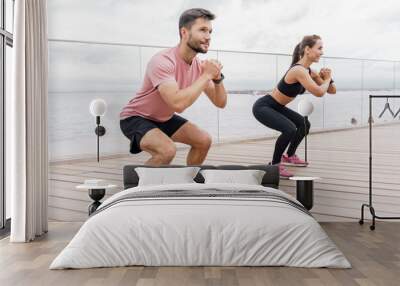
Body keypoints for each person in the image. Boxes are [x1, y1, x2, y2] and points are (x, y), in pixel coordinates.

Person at [120, 8, 227, 166]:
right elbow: (178, 104)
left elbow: (220, 102)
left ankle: (188, 182)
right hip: (136, 117)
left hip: (164, 118)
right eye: (203, 30)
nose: (208, 37)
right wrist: (206, 76)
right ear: (184, 32)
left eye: (210, 32)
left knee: (203, 140)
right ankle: (137, 185)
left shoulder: (199, 66)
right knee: (167, 150)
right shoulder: (163, 61)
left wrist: (217, 79)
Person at [252, 35, 336, 178]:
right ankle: (274, 165)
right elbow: (319, 92)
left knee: (304, 124)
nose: (322, 52)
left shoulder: (309, 71)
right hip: (264, 106)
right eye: (320, 48)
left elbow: (331, 90)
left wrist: (328, 78)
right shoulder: (299, 71)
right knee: (289, 129)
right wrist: (327, 79)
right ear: (308, 50)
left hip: (277, 107)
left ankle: (289, 156)